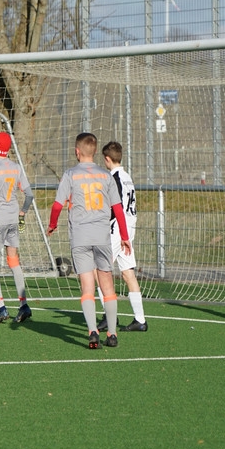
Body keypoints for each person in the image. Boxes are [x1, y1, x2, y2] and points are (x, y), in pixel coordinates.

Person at [47, 132, 131, 349]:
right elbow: (118, 209)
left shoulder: (70, 174)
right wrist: (124, 237)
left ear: (77, 152)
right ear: (94, 152)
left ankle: (93, 331)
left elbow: (57, 205)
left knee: (87, 287)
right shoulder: (106, 176)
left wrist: (52, 224)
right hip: (102, 237)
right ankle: (112, 334)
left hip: (80, 238)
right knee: (107, 285)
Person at [0, 131, 34, 325]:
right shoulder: (16, 167)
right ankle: (24, 305)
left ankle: (1, 307)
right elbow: (29, 195)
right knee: (13, 260)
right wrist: (22, 212)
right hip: (12, 218)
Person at [96, 141, 148, 332]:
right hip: (128, 228)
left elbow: (114, 206)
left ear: (107, 159)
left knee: (99, 270)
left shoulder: (114, 178)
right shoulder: (127, 177)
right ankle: (140, 320)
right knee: (127, 273)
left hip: (118, 230)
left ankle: (109, 315)